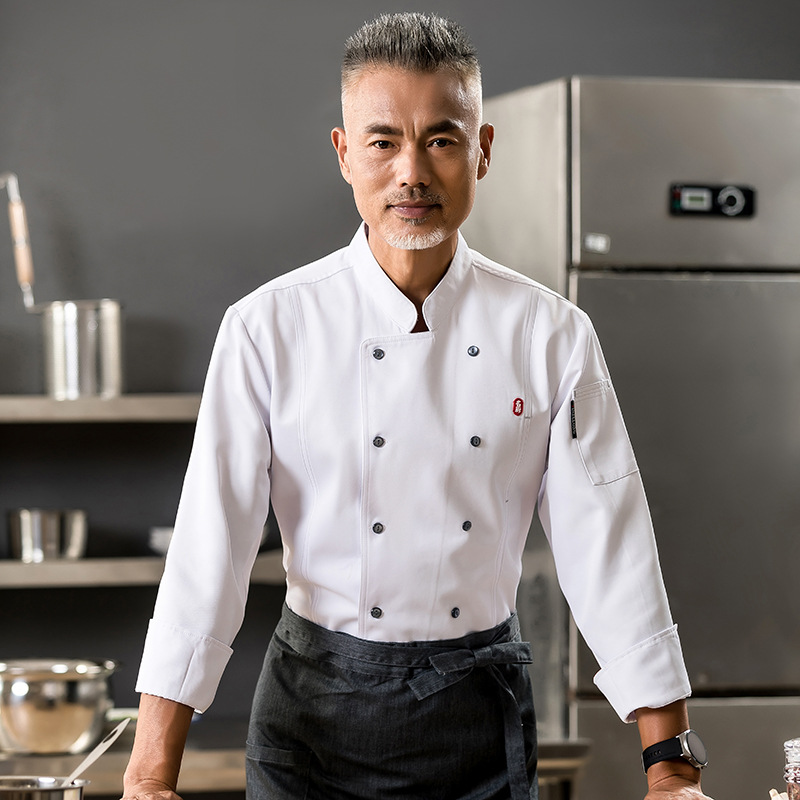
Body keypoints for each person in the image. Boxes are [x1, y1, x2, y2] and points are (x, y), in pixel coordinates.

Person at [122, 12, 714, 800]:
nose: (412, 173)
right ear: (344, 153)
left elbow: (610, 544)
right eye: (383, 142)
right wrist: (149, 774)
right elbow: (210, 548)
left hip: (477, 722)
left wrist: (670, 768)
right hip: (312, 727)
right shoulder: (268, 327)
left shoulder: (549, 333)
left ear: (483, 150)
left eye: (441, 139)